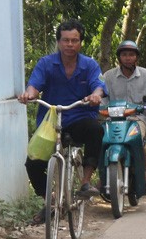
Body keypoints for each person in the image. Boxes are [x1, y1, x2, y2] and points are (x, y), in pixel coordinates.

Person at [18, 19, 106, 225]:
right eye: (65, 40)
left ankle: (85, 182)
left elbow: (98, 86)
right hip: (51, 123)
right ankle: (50, 200)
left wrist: (95, 95)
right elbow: (34, 86)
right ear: (58, 42)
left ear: (80, 43)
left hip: (79, 117)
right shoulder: (46, 64)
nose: (70, 44)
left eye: (74, 40)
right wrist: (28, 94)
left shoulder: (89, 65)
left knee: (96, 130)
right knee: (33, 163)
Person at [102, 40, 146, 187]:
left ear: (136, 57)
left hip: (138, 118)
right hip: (113, 118)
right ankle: (103, 176)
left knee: (137, 138)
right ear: (119, 57)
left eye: (131, 55)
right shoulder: (108, 76)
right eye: (124, 55)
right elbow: (102, 100)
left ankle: (143, 172)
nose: (128, 58)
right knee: (102, 140)